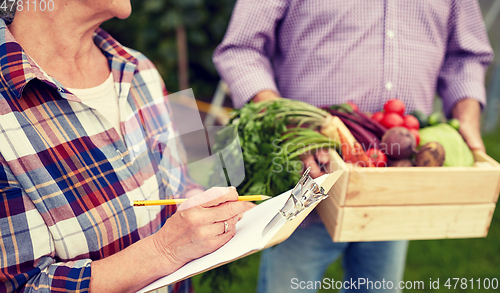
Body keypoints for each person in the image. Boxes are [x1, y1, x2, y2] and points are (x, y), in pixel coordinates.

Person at [213, 0, 493, 292]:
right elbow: (241, 49)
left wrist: (468, 122)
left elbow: (466, 57)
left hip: (397, 183)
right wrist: (287, 118)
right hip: (308, 179)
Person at [0, 1, 253, 292]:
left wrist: (211, 209)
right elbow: (23, 286)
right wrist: (163, 251)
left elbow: (179, 183)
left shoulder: (140, 68)